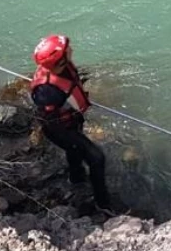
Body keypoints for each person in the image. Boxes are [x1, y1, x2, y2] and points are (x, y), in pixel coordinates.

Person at [30, 34, 111, 211]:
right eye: (68, 50)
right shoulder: (46, 92)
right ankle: (103, 205)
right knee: (97, 158)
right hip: (59, 128)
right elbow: (50, 120)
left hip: (71, 120)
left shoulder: (61, 68)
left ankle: (76, 179)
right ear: (59, 61)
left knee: (75, 152)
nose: (72, 49)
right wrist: (71, 138)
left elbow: (71, 83)